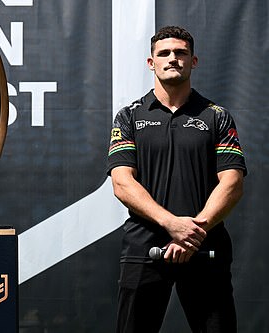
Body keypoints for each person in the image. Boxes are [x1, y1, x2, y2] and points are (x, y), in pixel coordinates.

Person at [107, 26, 246, 333]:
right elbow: (122, 182)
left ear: (193, 61)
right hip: (144, 248)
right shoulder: (129, 116)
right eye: (164, 53)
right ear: (150, 62)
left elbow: (232, 183)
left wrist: (194, 231)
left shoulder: (217, 116)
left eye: (181, 53)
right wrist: (173, 224)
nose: (173, 59)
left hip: (205, 245)